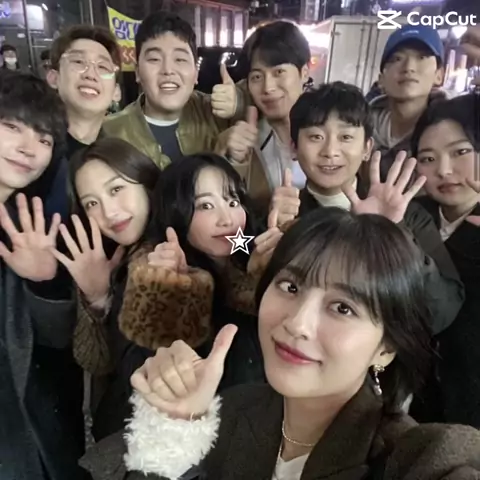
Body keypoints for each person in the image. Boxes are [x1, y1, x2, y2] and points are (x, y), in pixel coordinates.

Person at [80, 208, 480, 480]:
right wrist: (173, 428)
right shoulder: (229, 411)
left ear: (386, 348)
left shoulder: (412, 455)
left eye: (342, 307)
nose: (297, 323)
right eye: (290, 286)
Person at [70, 151, 266, 440]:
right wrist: (177, 292)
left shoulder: (257, 254)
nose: (226, 218)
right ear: (177, 213)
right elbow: (137, 373)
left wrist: (272, 270)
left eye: (233, 201)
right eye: (205, 205)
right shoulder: (154, 272)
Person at [271, 82, 464, 336]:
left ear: (366, 148)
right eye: (316, 137)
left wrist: (391, 233)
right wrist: (275, 233)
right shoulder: (283, 214)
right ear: (294, 147)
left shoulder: (407, 216)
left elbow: (440, 312)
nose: (330, 151)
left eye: (346, 137)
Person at [0, 71, 84, 480]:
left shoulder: (27, 225)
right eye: (12, 126)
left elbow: (54, 342)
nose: (29, 148)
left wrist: (44, 281)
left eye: (45, 139)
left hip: (25, 429)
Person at [50, 137, 160, 442]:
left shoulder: (182, 238)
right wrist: (98, 300)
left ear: (145, 180)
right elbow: (98, 362)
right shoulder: (106, 260)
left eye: (116, 189)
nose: (109, 213)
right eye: (91, 203)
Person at [408, 94, 480, 429]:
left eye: (461, 152)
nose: (445, 170)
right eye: (428, 158)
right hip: (415, 404)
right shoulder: (410, 215)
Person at [103, 11, 241, 169]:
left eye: (180, 59)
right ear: (138, 72)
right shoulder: (110, 132)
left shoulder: (217, 116)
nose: (168, 70)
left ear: (196, 73)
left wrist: (240, 101)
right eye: (154, 59)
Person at [223, 21, 311, 214]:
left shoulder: (331, 133)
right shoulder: (244, 141)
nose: (268, 87)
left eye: (279, 72)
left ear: (304, 73)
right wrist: (234, 161)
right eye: (257, 77)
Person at [45, 25, 122, 219]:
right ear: (53, 78)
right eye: (79, 62)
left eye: (103, 67)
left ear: (116, 92)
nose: (90, 74)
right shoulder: (29, 149)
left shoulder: (118, 160)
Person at [371, 24, 448, 180]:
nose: (408, 67)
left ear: (439, 75)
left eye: (421, 57)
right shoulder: (360, 127)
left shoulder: (455, 131)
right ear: (381, 79)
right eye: (397, 59)